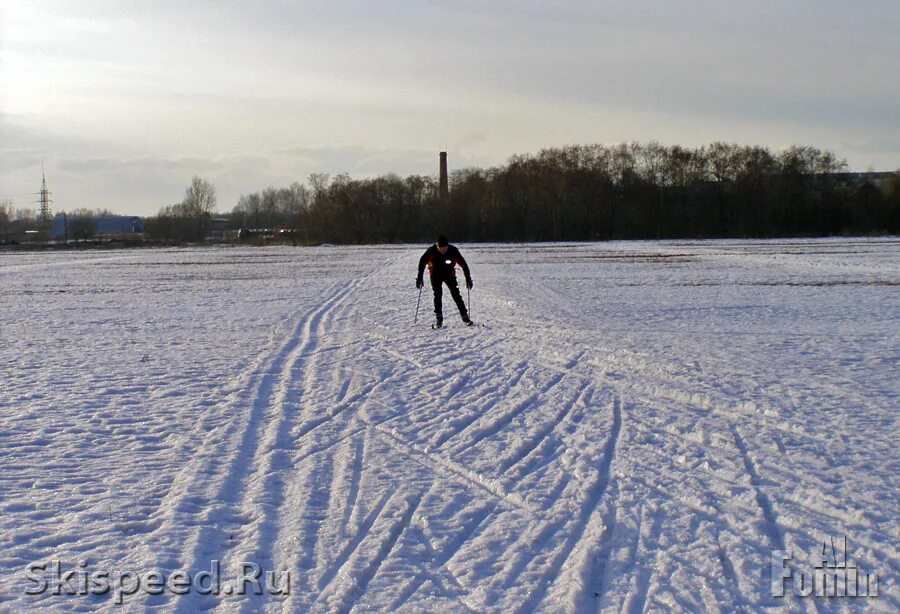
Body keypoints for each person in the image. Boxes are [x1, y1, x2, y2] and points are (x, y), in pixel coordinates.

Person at [416, 235, 474, 328]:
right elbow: (422, 262)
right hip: (435, 274)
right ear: (437, 246)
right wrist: (419, 277)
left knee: (456, 294)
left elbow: (463, 264)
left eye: (444, 248)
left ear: (447, 246)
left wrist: (468, 278)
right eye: (440, 248)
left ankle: (465, 317)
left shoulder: (453, 250)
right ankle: (439, 319)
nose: (442, 250)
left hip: (449, 274)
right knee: (437, 295)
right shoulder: (432, 250)